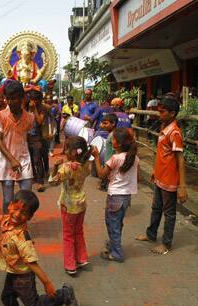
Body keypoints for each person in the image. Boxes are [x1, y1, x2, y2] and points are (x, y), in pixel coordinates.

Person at [136, 98, 188, 254]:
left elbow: (180, 159)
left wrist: (182, 186)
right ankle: (151, 234)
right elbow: (162, 154)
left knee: (169, 213)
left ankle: (166, 244)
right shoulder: (164, 127)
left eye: (162, 112)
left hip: (170, 180)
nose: (159, 114)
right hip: (160, 177)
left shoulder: (175, 132)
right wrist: (155, 171)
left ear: (172, 113)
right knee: (156, 208)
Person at [92, 128, 139, 262]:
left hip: (115, 196)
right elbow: (138, 177)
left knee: (112, 224)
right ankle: (114, 244)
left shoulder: (115, 158)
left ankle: (116, 253)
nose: (110, 141)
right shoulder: (135, 158)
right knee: (117, 223)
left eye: (112, 139)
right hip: (126, 197)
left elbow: (101, 175)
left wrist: (96, 157)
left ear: (117, 143)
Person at [48, 136, 92, 275]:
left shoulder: (67, 168)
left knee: (68, 235)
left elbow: (53, 182)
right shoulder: (85, 165)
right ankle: (82, 258)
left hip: (68, 205)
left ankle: (70, 264)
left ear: (73, 152)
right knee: (78, 231)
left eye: (66, 148)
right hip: (81, 203)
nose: (64, 151)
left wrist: (55, 167)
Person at [0, 80, 35, 213]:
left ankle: (20, 224)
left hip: (23, 159)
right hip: (6, 160)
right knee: (7, 199)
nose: (10, 102)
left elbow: (26, 137)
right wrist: (11, 160)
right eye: (8, 98)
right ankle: (7, 225)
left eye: (13, 98)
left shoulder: (29, 118)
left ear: (22, 98)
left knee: (25, 198)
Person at [27, 89, 52, 192]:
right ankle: (34, 176)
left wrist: (35, 110)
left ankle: (40, 181)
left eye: (36, 100)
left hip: (38, 137)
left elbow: (40, 121)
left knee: (38, 159)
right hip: (27, 137)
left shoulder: (42, 108)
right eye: (32, 99)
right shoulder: (26, 107)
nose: (34, 102)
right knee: (31, 159)